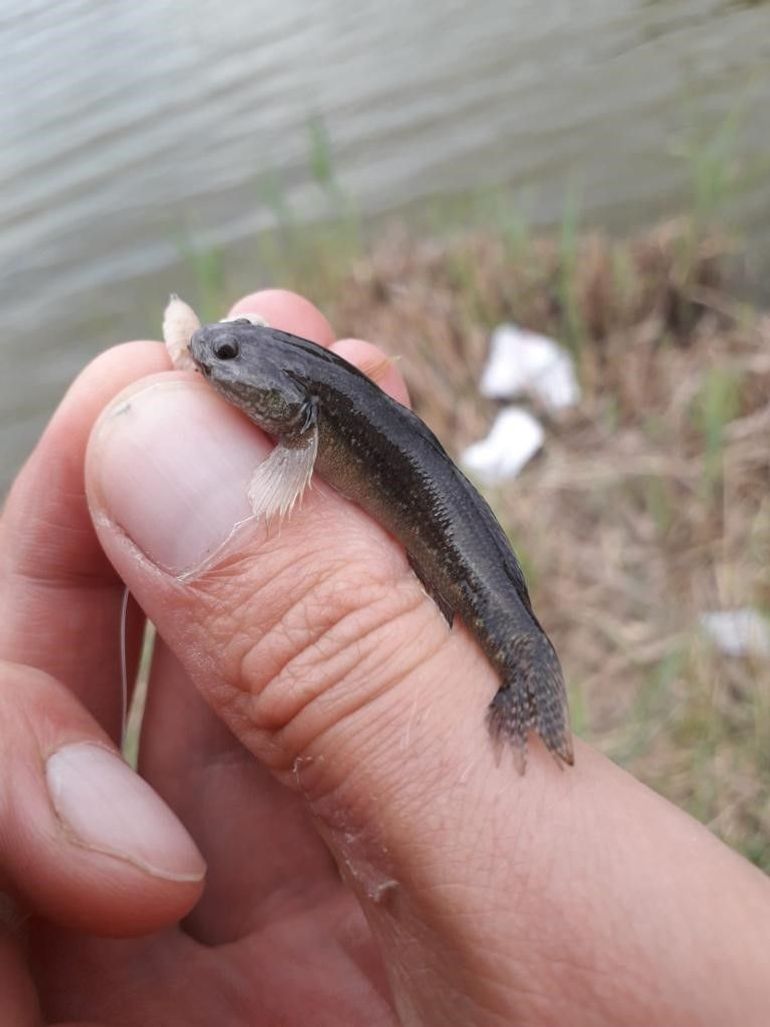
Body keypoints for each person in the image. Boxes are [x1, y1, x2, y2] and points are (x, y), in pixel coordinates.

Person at [1, 288, 768, 1026]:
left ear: (292, 408)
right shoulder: (301, 412)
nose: (211, 356)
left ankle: (529, 723)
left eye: (230, 353)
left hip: (467, 562)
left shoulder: (303, 420)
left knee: (508, 644)